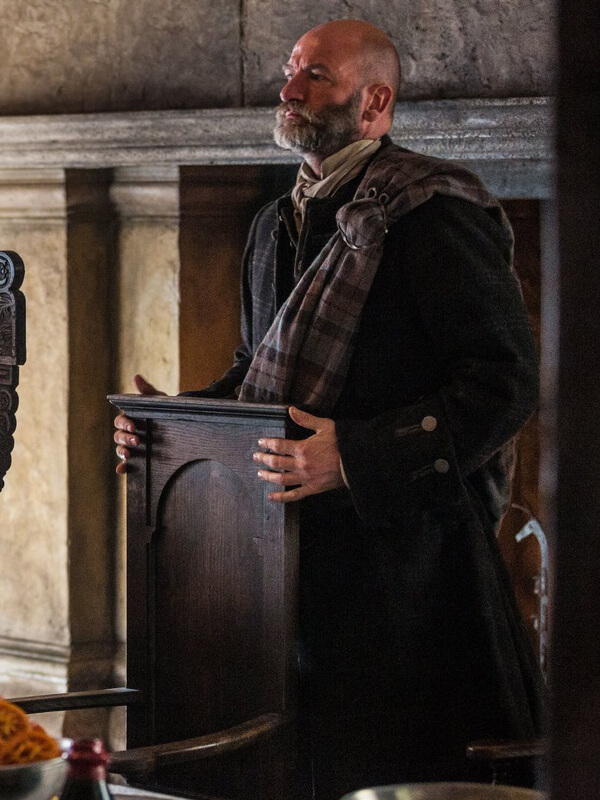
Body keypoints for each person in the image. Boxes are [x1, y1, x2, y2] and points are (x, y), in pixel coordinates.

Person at [114, 19, 545, 798]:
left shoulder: (435, 215)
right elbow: (254, 376)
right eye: (290, 71)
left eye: (316, 76)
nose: (289, 90)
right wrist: (170, 423)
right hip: (280, 562)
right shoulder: (271, 224)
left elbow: (504, 383)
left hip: (410, 579)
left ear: (374, 103)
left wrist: (351, 455)